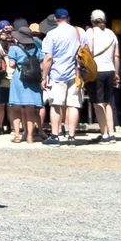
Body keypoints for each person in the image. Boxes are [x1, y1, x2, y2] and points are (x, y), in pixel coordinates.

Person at [41, 8, 83, 144]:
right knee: (73, 105)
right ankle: (71, 136)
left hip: (57, 73)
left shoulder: (52, 34)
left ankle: (55, 135)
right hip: (75, 73)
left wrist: (44, 76)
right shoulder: (79, 31)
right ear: (68, 18)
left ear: (55, 19)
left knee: (56, 105)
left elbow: (48, 58)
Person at [82, 9, 121, 141]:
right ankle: (111, 133)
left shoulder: (90, 32)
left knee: (98, 103)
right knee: (107, 102)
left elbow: (86, 51)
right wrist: (116, 72)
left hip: (96, 70)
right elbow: (116, 55)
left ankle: (104, 134)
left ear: (92, 20)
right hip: (110, 70)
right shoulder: (111, 33)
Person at [6, 20, 46, 142]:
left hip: (19, 79)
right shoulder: (36, 49)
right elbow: (41, 65)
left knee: (16, 108)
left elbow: (12, 65)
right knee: (31, 110)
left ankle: (17, 135)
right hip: (33, 80)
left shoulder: (14, 48)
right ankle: (29, 136)